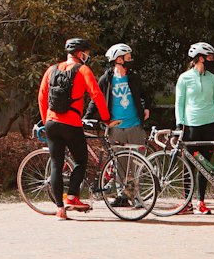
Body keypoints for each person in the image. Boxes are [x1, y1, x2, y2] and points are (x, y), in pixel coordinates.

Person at [38, 37, 113, 220]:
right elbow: (96, 94)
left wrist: (46, 119)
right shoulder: (83, 70)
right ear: (81, 54)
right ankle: (72, 197)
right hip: (71, 123)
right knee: (80, 161)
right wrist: (106, 118)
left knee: (56, 164)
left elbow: (42, 97)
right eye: (86, 53)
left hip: (51, 122)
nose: (87, 56)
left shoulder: (51, 70)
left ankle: (60, 209)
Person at [174, 41, 214, 214]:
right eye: (209, 56)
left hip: (210, 125)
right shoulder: (184, 78)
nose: (212, 60)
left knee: (205, 166)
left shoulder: (213, 78)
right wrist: (179, 123)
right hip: (191, 127)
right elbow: (179, 103)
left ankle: (201, 202)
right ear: (199, 58)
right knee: (188, 165)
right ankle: (186, 203)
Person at [94, 43, 150, 147]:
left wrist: (146, 108)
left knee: (137, 161)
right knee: (118, 161)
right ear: (119, 60)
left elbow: (144, 93)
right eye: (128, 58)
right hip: (115, 129)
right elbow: (96, 99)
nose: (131, 61)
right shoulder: (106, 80)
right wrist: (86, 118)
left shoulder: (134, 77)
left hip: (135, 126)